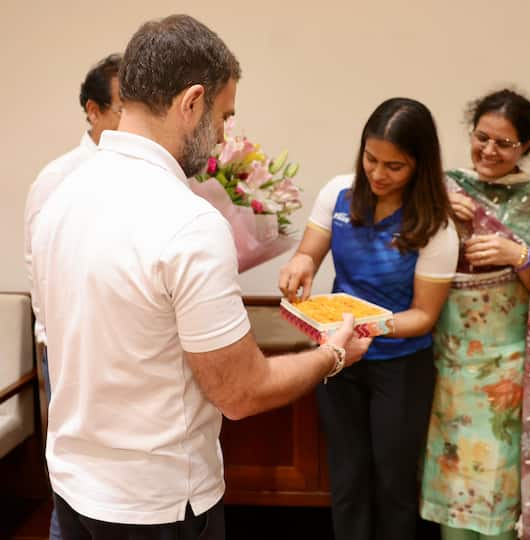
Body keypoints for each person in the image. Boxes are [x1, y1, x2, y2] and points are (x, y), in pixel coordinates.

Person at [31, 14, 370, 539]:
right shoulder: (186, 220)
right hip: (157, 499)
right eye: (224, 116)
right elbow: (240, 392)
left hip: (74, 483)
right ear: (191, 103)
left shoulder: (59, 196)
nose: (222, 136)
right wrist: (332, 355)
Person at [278, 97, 459, 540]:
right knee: (348, 479)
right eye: (371, 159)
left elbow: (423, 315)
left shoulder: (436, 224)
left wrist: (370, 327)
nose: (378, 174)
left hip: (400, 365)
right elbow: (309, 253)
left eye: (394, 166)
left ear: (420, 165)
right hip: (339, 360)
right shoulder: (338, 193)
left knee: (394, 485)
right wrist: (299, 265)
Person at [419, 90, 530, 540]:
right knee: (454, 476)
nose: (489, 151)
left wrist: (518, 255)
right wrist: (437, 209)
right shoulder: (443, 186)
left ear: (526, 147)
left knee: (498, 481)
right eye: (482, 137)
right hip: (450, 363)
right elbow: (404, 248)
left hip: (509, 366)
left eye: (505, 144)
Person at [23, 52, 122, 540]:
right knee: (77, 473)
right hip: (70, 348)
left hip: (127, 349)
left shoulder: (149, 174)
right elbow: (40, 270)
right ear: (93, 110)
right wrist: (56, 342)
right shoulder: (58, 179)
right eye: (123, 108)